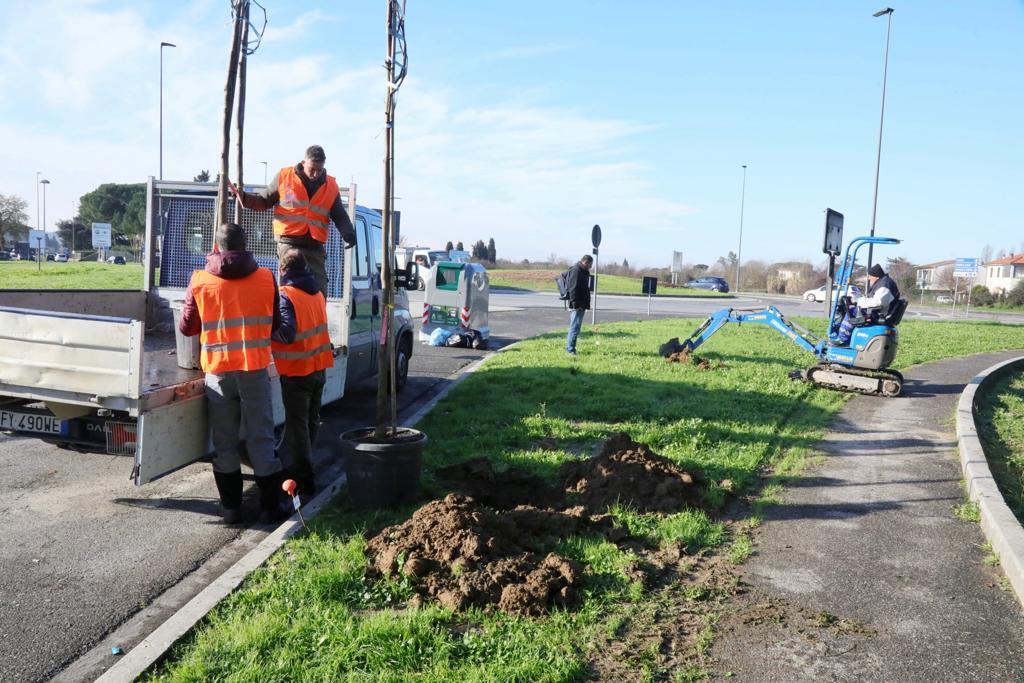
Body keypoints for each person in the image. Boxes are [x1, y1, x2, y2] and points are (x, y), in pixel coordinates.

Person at [178, 222, 293, 525]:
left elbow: (187, 327)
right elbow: (274, 325)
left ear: (216, 247)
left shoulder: (199, 279)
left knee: (224, 442)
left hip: (218, 371)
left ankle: (230, 509)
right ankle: (270, 509)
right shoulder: (266, 277)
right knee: (261, 439)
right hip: (253, 368)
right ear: (245, 245)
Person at [232, 144, 357, 295]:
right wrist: (243, 197)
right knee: (290, 287)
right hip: (288, 243)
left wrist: (348, 233)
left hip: (315, 246)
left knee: (319, 290)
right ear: (304, 163)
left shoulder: (331, 185)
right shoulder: (284, 176)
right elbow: (263, 201)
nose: (316, 174)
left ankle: (316, 310)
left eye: (320, 170)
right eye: (312, 169)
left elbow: (340, 215)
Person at [271, 248, 333, 502]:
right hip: (318, 367)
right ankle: (305, 464)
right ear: (305, 267)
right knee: (310, 421)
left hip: (297, 372)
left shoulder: (287, 295)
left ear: (282, 270)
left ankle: (305, 477)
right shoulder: (316, 293)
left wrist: (264, 331)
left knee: (298, 426)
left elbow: (287, 333)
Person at [564, 254, 593, 356]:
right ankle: (570, 350)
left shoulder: (582, 271)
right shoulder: (576, 270)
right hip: (577, 305)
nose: (591, 267)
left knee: (576, 328)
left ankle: (571, 348)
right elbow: (573, 288)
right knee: (574, 328)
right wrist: (575, 304)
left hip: (581, 304)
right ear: (586, 262)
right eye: (590, 264)